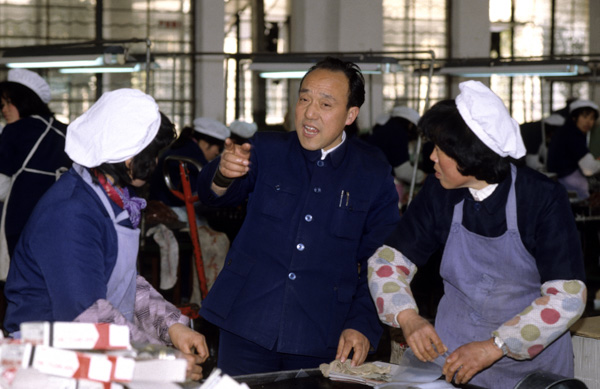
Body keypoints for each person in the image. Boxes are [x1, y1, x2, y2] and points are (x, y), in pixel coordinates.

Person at [368, 81, 586, 389]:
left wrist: (495, 345)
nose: (431, 157)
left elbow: (567, 297)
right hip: (451, 359)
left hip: (530, 373)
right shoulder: (439, 191)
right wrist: (409, 318)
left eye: (440, 149)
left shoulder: (540, 197)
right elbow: (387, 261)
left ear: (468, 155)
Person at [196, 56, 400, 375]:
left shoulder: (371, 172)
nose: (310, 112)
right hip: (247, 317)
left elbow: (381, 260)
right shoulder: (267, 148)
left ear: (350, 114)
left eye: (325, 103)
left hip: (321, 331)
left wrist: (361, 323)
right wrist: (223, 173)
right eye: (304, 98)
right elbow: (213, 195)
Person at [3, 88, 209, 380]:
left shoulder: (110, 196)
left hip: (92, 349)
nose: (154, 164)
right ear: (128, 158)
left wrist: (171, 325)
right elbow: (88, 318)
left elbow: (121, 281)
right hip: (50, 362)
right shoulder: (71, 213)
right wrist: (160, 360)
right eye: (153, 155)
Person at [0, 69, 72, 279]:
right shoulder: (64, 131)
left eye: (7, 103)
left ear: (23, 101)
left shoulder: (14, 131)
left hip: (22, 222)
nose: (4, 110)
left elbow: (1, 187)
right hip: (62, 222)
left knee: (23, 285)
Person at [148, 117, 230, 226]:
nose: (217, 153)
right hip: (174, 210)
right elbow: (200, 195)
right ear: (206, 144)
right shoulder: (194, 159)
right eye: (218, 149)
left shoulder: (181, 148)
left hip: (160, 204)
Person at [547, 99, 600, 200]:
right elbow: (588, 169)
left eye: (592, 118)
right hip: (568, 180)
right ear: (574, 117)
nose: (588, 122)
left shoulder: (565, 130)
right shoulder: (573, 134)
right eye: (584, 117)